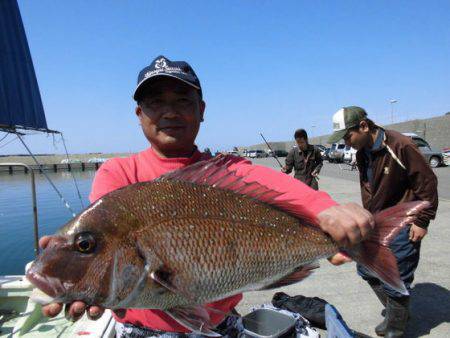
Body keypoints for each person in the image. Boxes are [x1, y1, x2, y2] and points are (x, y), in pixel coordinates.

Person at [38, 57, 374, 337]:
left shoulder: (230, 171)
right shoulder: (117, 174)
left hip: (219, 325)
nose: (169, 112)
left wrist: (329, 211)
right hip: (138, 330)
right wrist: (74, 271)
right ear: (139, 114)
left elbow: (288, 190)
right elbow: (102, 237)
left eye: (183, 101)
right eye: (155, 102)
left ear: (201, 109)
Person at [328, 106, 438, 338]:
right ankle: (397, 312)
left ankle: (395, 328)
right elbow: (370, 190)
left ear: (364, 126)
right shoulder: (362, 152)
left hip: (404, 222)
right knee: (366, 268)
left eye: (348, 136)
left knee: (396, 276)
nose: (346, 143)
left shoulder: (400, 145)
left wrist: (422, 221)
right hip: (378, 223)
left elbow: (427, 182)